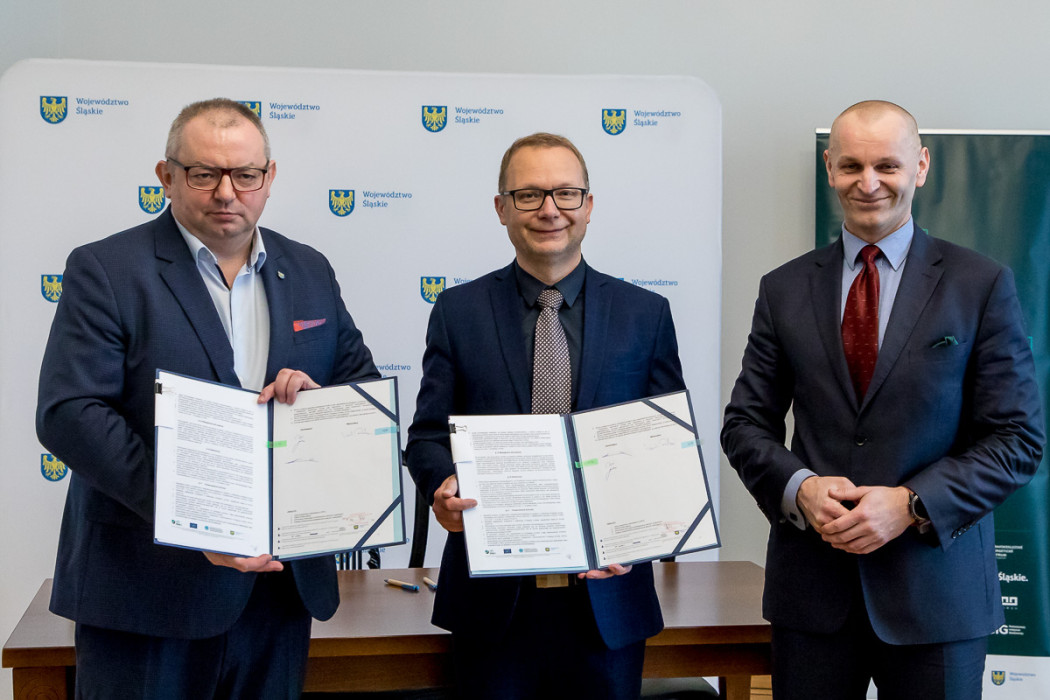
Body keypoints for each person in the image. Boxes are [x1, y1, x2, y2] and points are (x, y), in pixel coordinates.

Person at [36, 97, 379, 698]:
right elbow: (71, 413)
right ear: (166, 176)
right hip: (146, 594)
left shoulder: (309, 270)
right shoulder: (106, 269)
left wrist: (317, 404)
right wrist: (199, 517)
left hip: (278, 593)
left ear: (269, 178)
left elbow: (363, 392)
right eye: (203, 174)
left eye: (245, 175)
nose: (226, 193)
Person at [721, 100, 1044, 699]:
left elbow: (1017, 440)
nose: (868, 183)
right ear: (830, 168)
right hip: (812, 598)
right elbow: (744, 424)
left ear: (920, 166)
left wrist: (911, 504)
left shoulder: (980, 284)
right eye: (851, 166)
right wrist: (800, 489)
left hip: (937, 600)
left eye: (887, 166)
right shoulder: (784, 288)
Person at [406, 132, 685, 699]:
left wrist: (639, 533)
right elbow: (428, 436)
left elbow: (666, 450)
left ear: (589, 205)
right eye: (529, 195)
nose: (550, 210)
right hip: (492, 601)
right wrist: (441, 486)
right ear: (501, 208)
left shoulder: (645, 314)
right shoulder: (459, 312)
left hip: (608, 600)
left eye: (565, 193)